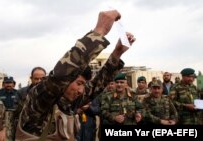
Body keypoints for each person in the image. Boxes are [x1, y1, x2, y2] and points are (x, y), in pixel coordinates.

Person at [15, 10, 136, 141]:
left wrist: (117, 54)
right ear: (66, 81)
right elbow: (60, 75)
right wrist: (100, 31)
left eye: (83, 85)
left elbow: (97, 84)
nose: (81, 90)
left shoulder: (68, 102)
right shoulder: (40, 100)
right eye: (79, 83)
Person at [0, 76, 18, 141]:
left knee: (14, 134)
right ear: (3, 84)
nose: (8, 84)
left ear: (13, 84)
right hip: (2, 117)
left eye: (10, 83)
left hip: (14, 116)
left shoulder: (17, 93)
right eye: (6, 83)